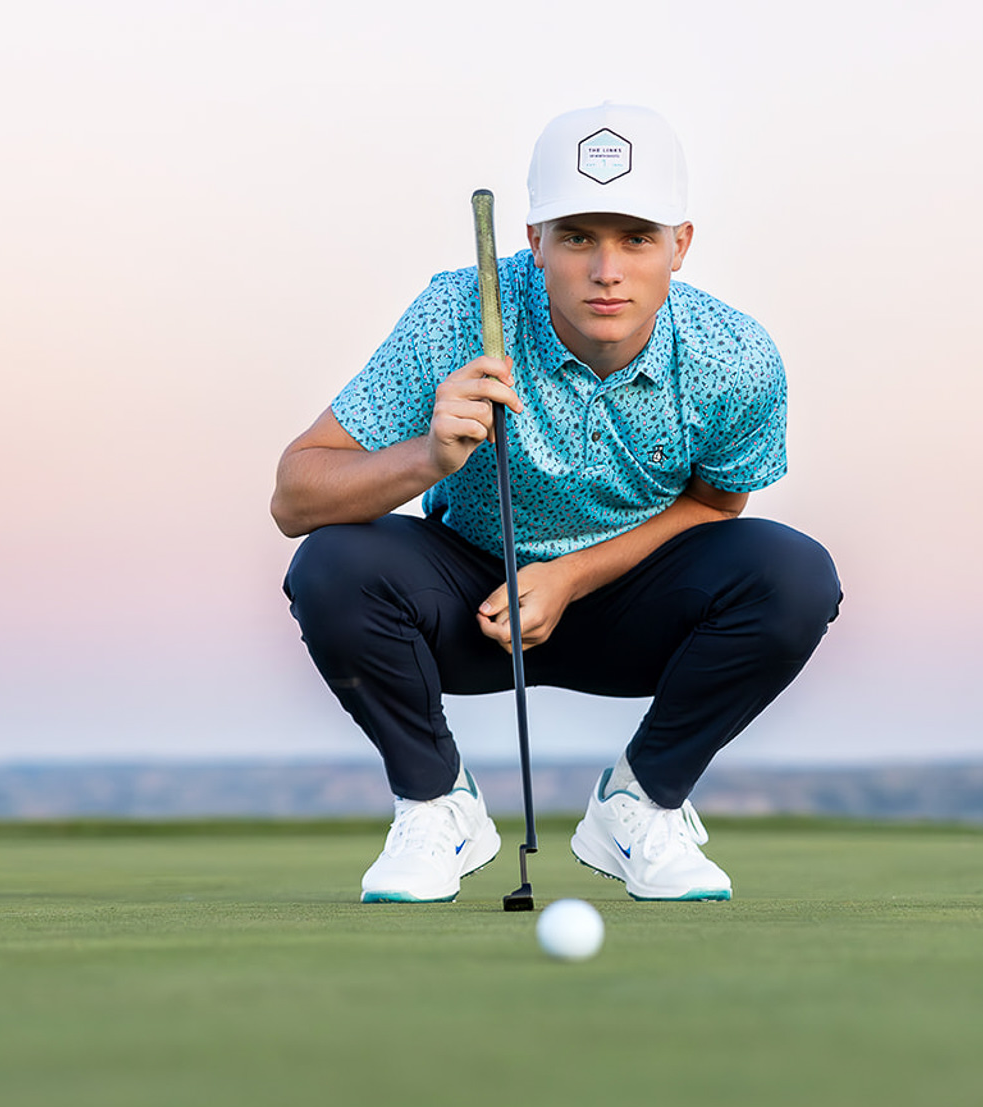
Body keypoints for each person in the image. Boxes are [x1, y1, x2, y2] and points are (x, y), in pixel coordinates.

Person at [271, 102, 841, 903]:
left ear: (678, 245)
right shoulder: (457, 310)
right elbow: (296, 494)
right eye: (576, 237)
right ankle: (435, 802)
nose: (606, 270)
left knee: (792, 574)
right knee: (332, 563)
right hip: (471, 603)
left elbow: (717, 505)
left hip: (634, 605)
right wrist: (427, 456)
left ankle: (641, 805)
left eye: (635, 239)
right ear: (533, 242)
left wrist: (569, 576)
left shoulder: (734, 356)